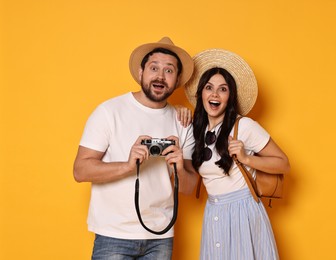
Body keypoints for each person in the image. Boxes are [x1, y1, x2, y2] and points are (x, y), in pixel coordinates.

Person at [73, 37, 198, 259]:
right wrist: (128, 166)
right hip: (113, 234)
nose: (160, 76)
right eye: (154, 68)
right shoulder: (109, 111)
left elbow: (189, 188)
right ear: (141, 73)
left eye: (169, 71)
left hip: (161, 235)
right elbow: (80, 171)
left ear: (177, 80)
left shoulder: (183, 121)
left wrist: (178, 167)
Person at [184, 48, 290, 260]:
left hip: (243, 213)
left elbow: (283, 164)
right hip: (213, 213)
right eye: (209, 88)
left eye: (222, 89)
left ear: (230, 96)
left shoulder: (245, 126)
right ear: (201, 94)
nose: (215, 94)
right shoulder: (196, 130)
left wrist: (246, 158)